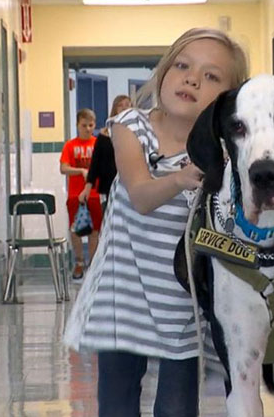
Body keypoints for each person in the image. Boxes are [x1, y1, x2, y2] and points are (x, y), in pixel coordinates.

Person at [63, 28, 248, 417]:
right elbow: (141, 194)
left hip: (182, 304)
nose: (192, 78)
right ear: (163, 74)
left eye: (212, 76)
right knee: (117, 403)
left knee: (177, 408)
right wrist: (181, 178)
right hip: (122, 298)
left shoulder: (227, 153)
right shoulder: (131, 127)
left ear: (230, 99)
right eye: (182, 66)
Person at [60, 108, 103, 279]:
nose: (87, 129)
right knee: (75, 230)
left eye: (91, 125)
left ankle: (92, 264)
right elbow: (63, 168)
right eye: (84, 125)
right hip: (75, 194)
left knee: (95, 231)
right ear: (77, 125)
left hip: (95, 194)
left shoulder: (98, 144)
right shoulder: (70, 145)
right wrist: (80, 171)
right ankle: (78, 262)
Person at [78, 95, 132, 211]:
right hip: (109, 185)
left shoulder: (136, 133)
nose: (124, 108)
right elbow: (95, 163)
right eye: (120, 105)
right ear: (115, 109)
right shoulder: (105, 134)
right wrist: (87, 188)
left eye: (127, 105)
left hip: (129, 186)